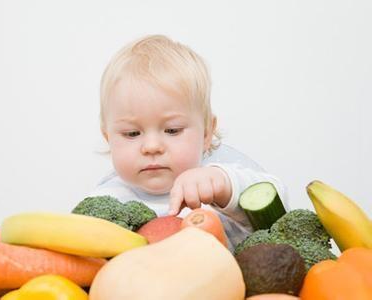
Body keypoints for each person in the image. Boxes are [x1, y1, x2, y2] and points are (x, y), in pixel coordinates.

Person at [89, 34, 288, 251]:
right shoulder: (107, 201)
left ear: (206, 134)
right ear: (108, 138)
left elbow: (282, 211)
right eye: (132, 133)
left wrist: (225, 187)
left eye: (172, 130)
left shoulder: (217, 179)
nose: (152, 146)